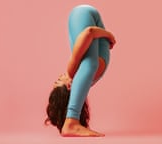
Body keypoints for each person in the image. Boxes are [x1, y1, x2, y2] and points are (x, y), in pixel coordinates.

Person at [45, 4, 116, 137]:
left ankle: (72, 120)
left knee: (90, 64)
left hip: (83, 15)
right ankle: (71, 121)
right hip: (83, 15)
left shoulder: (88, 74)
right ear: (69, 85)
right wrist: (109, 35)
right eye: (58, 80)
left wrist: (107, 35)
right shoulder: (74, 72)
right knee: (90, 64)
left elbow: (91, 33)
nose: (60, 75)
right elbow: (89, 32)